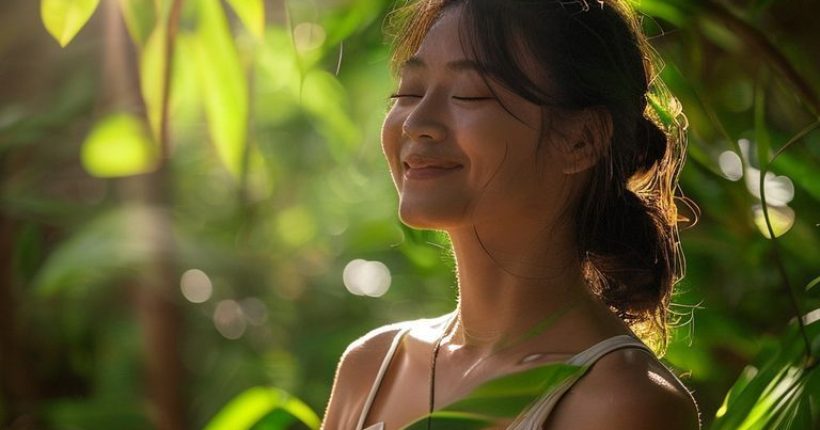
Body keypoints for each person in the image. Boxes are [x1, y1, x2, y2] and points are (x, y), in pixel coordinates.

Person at [323, 0, 701, 428]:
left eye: (468, 94)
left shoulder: (620, 402)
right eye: (408, 92)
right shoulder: (373, 369)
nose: (416, 122)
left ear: (581, 140)